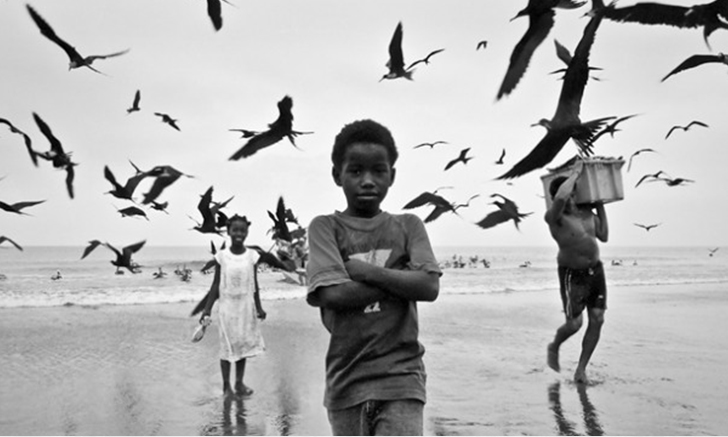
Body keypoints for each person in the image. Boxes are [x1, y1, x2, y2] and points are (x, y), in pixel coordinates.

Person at [306, 119, 441, 436]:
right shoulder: (325, 227)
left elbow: (429, 286)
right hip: (346, 381)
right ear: (337, 175)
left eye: (378, 171)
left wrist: (368, 272)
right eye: (355, 171)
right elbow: (332, 295)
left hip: (402, 378)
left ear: (391, 175)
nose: (367, 181)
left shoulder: (409, 225)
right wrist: (401, 278)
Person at [544, 158, 609, 384]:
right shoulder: (555, 218)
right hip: (572, 274)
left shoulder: (586, 213)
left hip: (595, 270)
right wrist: (575, 173)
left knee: (598, 319)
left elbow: (604, 236)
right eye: (568, 193)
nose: (571, 197)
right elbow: (561, 198)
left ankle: (581, 369)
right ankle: (554, 346)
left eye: (573, 193)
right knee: (574, 324)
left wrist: (600, 204)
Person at [199, 214, 267, 397]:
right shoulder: (222, 256)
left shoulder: (252, 256)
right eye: (235, 230)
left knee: (241, 346)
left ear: (247, 232)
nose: (239, 234)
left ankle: (239, 383)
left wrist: (259, 307)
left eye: (242, 230)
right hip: (227, 307)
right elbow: (215, 285)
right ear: (228, 231)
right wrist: (207, 309)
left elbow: (254, 284)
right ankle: (226, 386)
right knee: (226, 347)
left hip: (245, 307)